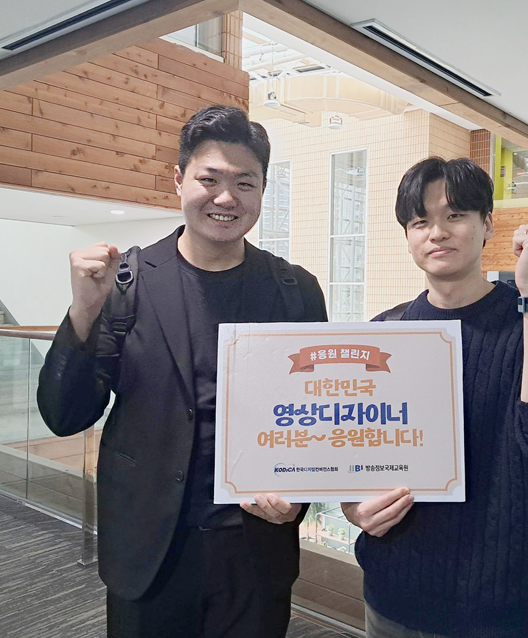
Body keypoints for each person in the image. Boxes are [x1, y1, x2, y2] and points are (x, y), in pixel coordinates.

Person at [37, 105, 327, 638]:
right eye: (209, 179)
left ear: (262, 190)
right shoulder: (126, 281)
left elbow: (312, 418)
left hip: (254, 548)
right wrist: (83, 312)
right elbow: (65, 415)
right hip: (149, 549)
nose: (226, 198)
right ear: (178, 179)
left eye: (244, 183)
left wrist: (299, 495)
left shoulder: (295, 291)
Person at [341, 157, 528, 638]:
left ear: (488, 224)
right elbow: (354, 458)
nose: (437, 232)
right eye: (420, 221)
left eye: (455, 215)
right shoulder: (384, 334)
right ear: (408, 236)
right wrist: (355, 508)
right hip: (394, 598)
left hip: (505, 609)